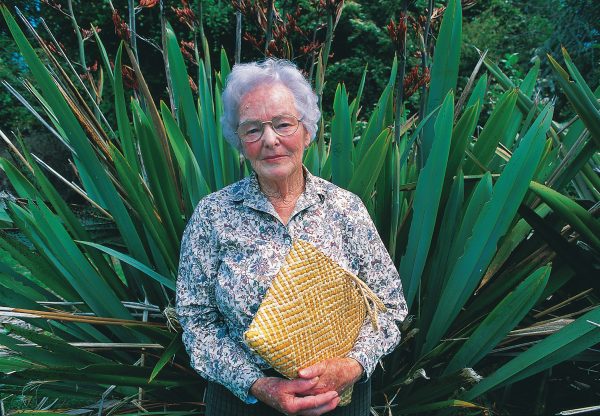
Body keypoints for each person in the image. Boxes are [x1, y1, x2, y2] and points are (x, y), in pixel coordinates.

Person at [176, 58, 408, 416]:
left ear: (307, 131)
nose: (270, 140)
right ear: (239, 142)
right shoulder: (214, 215)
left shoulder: (345, 209)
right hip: (243, 402)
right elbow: (196, 322)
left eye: (283, 124)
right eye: (252, 130)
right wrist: (261, 385)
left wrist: (351, 367)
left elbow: (390, 307)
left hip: (339, 400)